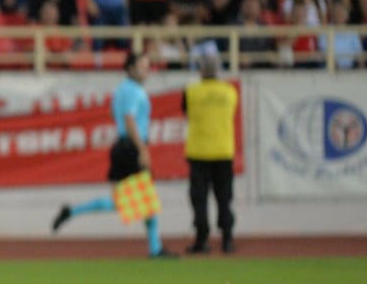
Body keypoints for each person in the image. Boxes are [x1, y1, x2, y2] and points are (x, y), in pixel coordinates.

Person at [51, 52, 175, 259]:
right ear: (130, 68)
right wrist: (142, 148)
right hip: (132, 147)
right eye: (142, 66)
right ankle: (155, 248)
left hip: (121, 146)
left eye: (148, 66)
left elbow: (113, 114)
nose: (147, 71)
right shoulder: (135, 92)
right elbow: (129, 119)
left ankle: (72, 212)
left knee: (134, 200)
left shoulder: (120, 90)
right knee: (142, 199)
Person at [182, 53, 239, 254]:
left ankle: (202, 240)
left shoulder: (191, 91)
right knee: (224, 198)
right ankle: (228, 239)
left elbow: (186, 111)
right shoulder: (230, 92)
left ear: (201, 70)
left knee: (199, 199)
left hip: (199, 152)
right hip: (224, 151)